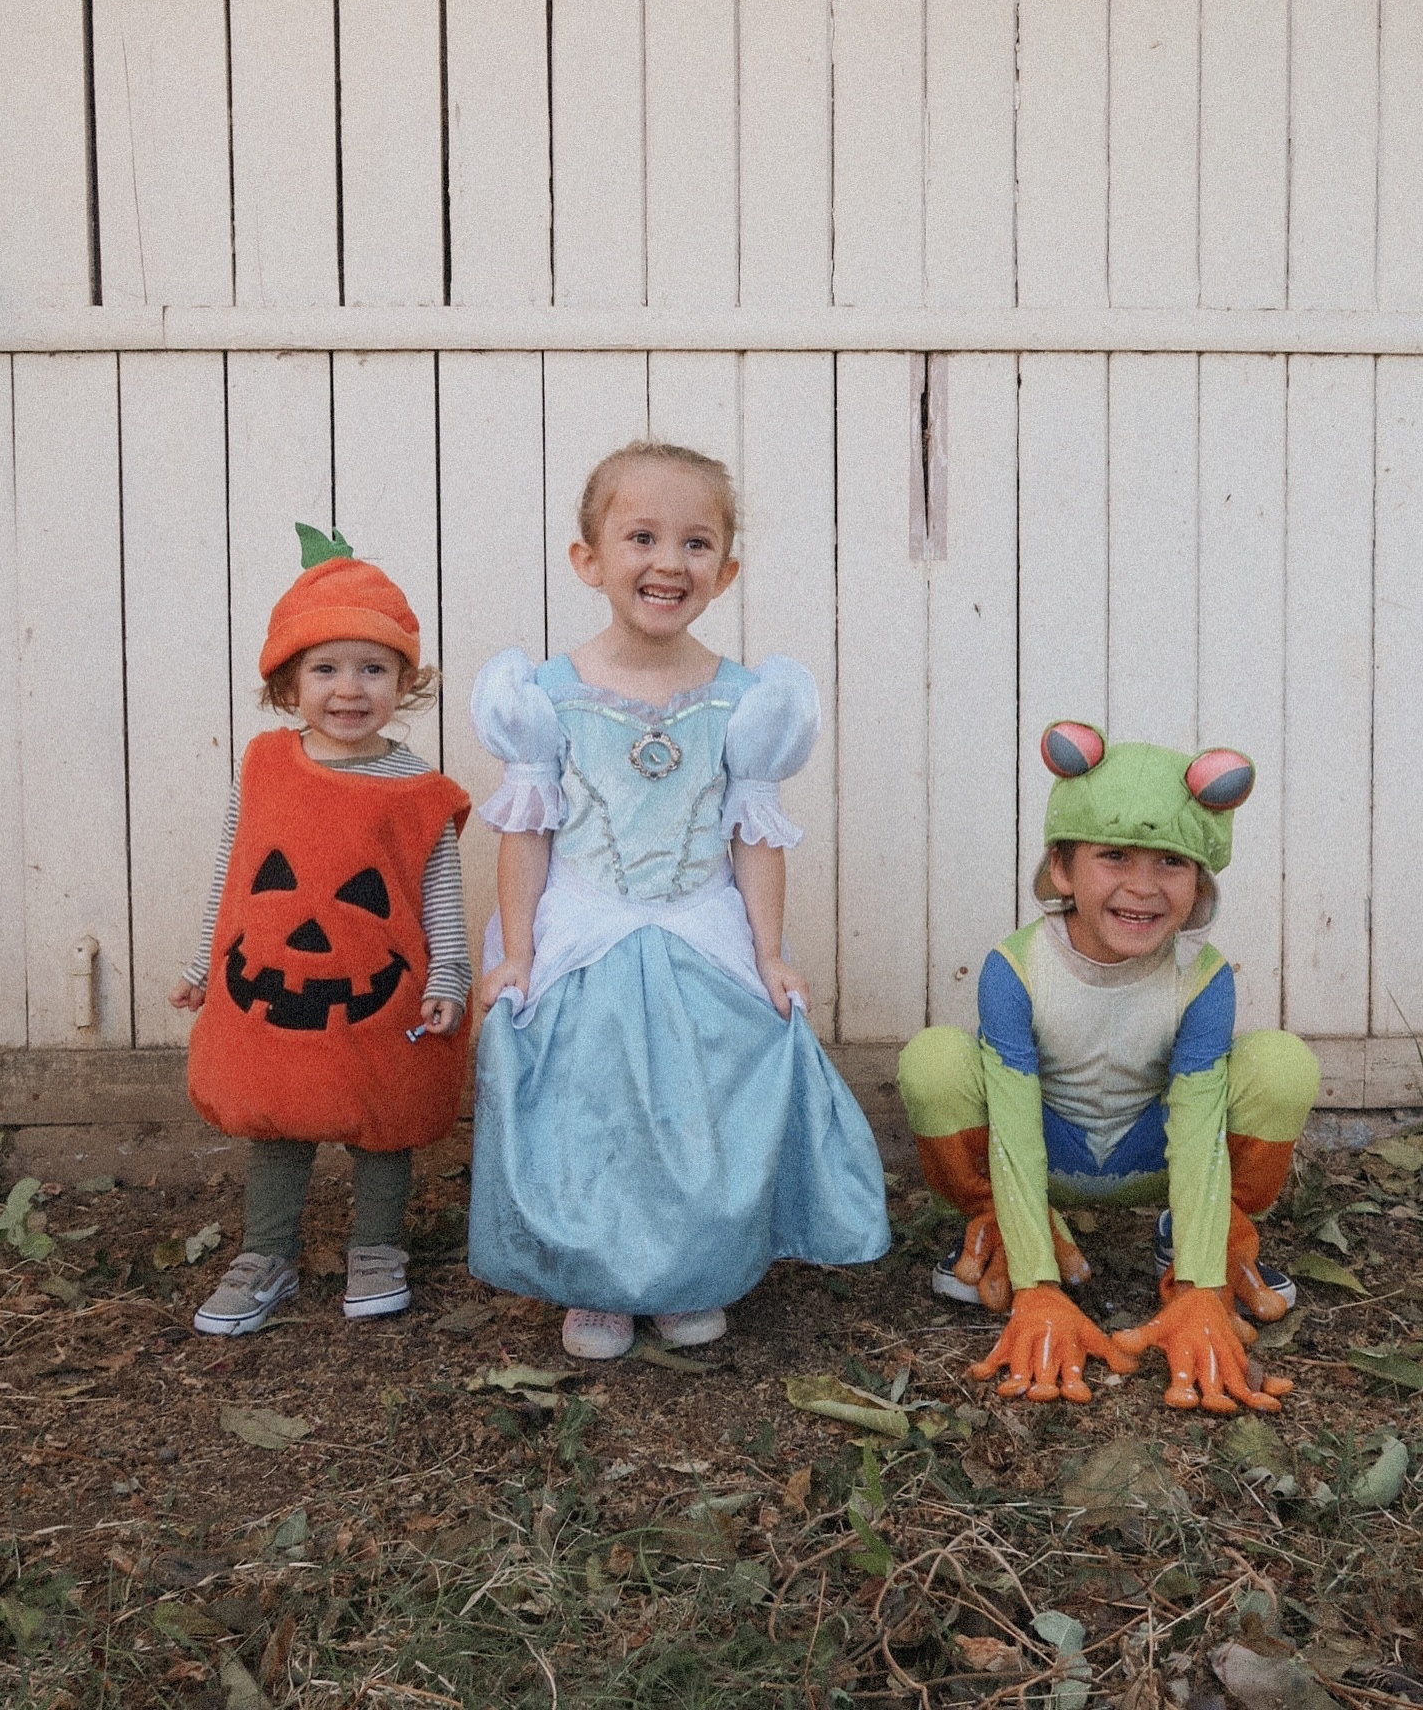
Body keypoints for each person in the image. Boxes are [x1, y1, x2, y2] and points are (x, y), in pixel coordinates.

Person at [467, 440, 890, 1360]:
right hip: (586, 921)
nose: (669, 562)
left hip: (699, 921)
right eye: (642, 537)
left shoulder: (745, 700)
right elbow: (528, 831)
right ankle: (596, 1284)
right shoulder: (547, 695)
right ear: (589, 561)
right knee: (594, 1106)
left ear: (725, 570)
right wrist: (518, 952)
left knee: (702, 1105)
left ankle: (689, 1271)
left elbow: (753, 835)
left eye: (696, 544)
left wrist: (768, 951)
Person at [898, 722, 1319, 1414]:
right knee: (935, 1061)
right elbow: (1008, 1121)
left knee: (1281, 1065)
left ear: (1201, 879)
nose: (1143, 887)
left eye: (1172, 863)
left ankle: (1201, 1241)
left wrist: (1201, 1287)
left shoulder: (1202, 976)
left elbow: (1199, 1120)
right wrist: (1037, 1286)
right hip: (1045, 1145)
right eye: (1115, 856)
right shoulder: (1016, 966)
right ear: (1062, 869)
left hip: (1151, 1147)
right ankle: (1003, 1225)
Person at [171, 525, 472, 1336]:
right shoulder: (266, 764)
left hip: (383, 990)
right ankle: (266, 1253)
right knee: (278, 1113)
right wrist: (205, 963)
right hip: (267, 979)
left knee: (383, 1121)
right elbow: (237, 874)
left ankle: (376, 1248)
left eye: (373, 669)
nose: (349, 689)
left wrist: (450, 979)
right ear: (288, 684)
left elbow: (439, 893)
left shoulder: (419, 790)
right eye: (325, 669)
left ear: (404, 681)